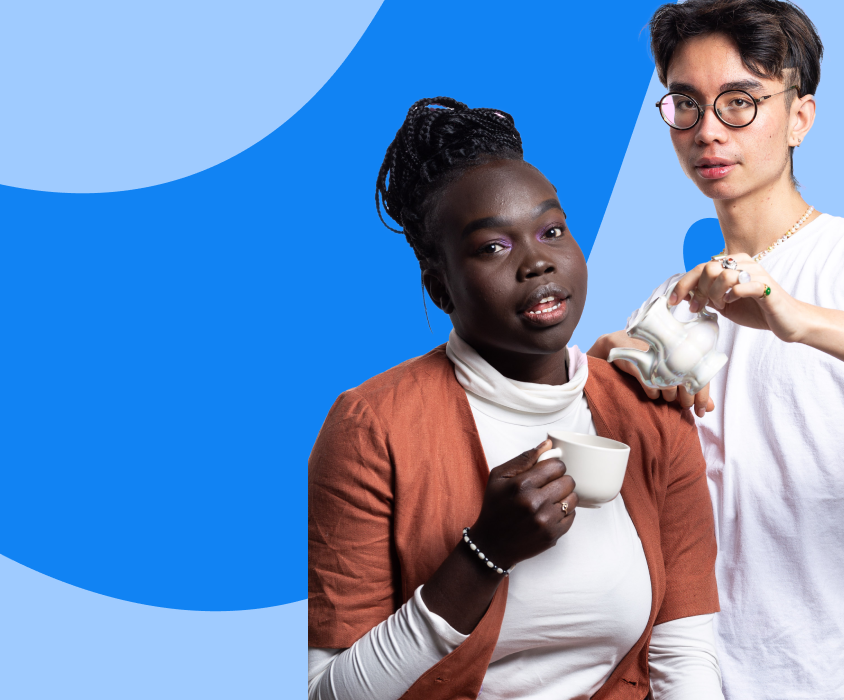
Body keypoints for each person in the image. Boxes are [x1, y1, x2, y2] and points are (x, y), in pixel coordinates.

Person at [588, 2, 844, 699]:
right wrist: (602, 371)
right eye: (686, 104)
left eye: (740, 102)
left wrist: (796, 320)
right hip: (672, 678)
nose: (708, 131)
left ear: (799, 118)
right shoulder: (669, 306)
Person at [308, 97, 724, 700]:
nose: (537, 262)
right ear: (440, 285)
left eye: (552, 230)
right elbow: (327, 693)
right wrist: (482, 556)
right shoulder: (374, 426)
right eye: (493, 248)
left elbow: (683, 655)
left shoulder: (650, 412)